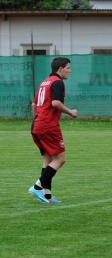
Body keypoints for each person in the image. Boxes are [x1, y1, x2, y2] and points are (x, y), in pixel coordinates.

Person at [28, 57, 78, 204]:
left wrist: (38, 119)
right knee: (60, 159)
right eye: (68, 67)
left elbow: (34, 104)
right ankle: (38, 186)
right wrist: (71, 112)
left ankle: (47, 196)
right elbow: (55, 103)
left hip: (37, 125)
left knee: (48, 159)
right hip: (48, 126)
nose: (70, 70)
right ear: (60, 68)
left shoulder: (45, 82)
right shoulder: (57, 82)